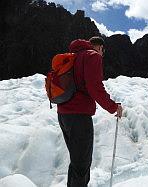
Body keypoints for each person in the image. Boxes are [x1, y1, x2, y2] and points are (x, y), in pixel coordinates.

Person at [57, 36, 123, 187]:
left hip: (63, 114)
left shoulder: (72, 56)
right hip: (79, 116)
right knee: (82, 165)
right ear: (99, 47)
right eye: (102, 51)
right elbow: (95, 88)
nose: (102, 54)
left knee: (76, 160)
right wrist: (113, 107)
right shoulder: (92, 56)